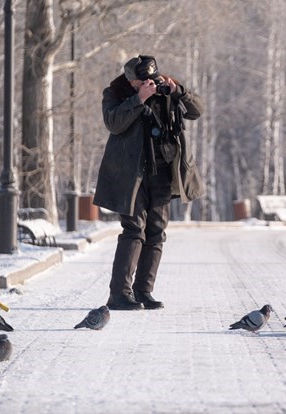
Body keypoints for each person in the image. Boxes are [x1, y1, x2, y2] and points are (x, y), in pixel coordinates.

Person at [93, 55, 205, 310]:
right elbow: (113, 123)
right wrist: (138, 99)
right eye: (141, 82)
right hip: (130, 174)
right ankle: (119, 294)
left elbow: (197, 110)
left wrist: (180, 91)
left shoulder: (166, 89)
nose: (148, 85)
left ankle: (143, 291)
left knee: (156, 231)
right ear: (131, 81)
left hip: (163, 171)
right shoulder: (116, 93)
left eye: (151, 80)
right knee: (133, 230)